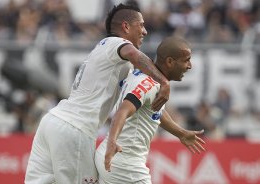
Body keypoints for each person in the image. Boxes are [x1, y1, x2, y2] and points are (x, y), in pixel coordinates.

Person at [25, 3, 171, 184]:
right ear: (126, 27)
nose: (145, 31)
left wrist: (179, 132)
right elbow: (133, 53)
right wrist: (164, 81)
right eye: (141, 25)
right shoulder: (116, 43)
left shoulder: (106, 53)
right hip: (75, 130)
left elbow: (145, 101)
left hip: (52, 121)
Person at [95, 36, 206, 184]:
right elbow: (122, 111)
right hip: (125, 164)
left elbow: (154, 110)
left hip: (115, 158)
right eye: (186, 60)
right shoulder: (148, 84)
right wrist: (112, 142)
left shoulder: (147, 78)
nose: (189, 66)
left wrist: (180, 133)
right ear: (170, 62)